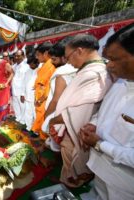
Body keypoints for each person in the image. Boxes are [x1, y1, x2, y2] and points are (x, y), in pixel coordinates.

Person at [49, 34, 112, 188]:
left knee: (72, 156)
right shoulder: (90, 69)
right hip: (74, 124)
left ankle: (72, 183)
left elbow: (82, 109)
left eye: (68, 57)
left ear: (79, 51)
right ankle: (68, 179)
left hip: (77, 126)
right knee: (68, 157)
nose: (68, 62)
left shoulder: (95, 73)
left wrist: (54, 120)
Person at [80, 23, 134, 200]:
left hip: (125, 184)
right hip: (99, 168)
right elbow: (104, 112)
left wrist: (100, 144)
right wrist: (93, 124)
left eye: (114, 59)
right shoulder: (120, 82)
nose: (108, 66)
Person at [42, 38, 77, 151]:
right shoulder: (77, 69)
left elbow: (56, 99)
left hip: (58, 113)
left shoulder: (62, 73)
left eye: (54, 59)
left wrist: (46, 116)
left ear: (64, 57)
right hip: (71, 114)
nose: (52, 62)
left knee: (58, 143)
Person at [31, 42, 56, 139]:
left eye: (38, 55)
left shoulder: (51, 66)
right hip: (39, 97)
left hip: (44, 99)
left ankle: (43, 139)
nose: (37, 58)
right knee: (39, 118)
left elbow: (49, 86)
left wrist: (41, 99)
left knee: (43, 119)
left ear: (45, 53)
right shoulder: (45, 65)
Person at [23, 56, 40, 133]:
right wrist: (22, 94)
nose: (30, 66)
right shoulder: (27, 71)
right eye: (29, 64)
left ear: (37, 63)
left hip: (36, 97)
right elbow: (24, 83)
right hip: (27, 96)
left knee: (36, 114)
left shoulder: (40, 71)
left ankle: (36, 131)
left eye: (32, 64)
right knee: (28, 112)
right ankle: (28, 127)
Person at [12, 50, 29, 124]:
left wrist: (23, 93)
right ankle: (18, 117)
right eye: (15, 56)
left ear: (23, 56)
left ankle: (23, 120)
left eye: (18, 56)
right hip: (14, 89)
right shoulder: (14, 66)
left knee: (22, 106)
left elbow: (26, 81)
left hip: (21, 90)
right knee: (15, 104)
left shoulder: (26, 67)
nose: (16, 57)